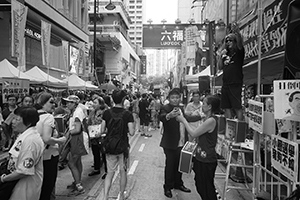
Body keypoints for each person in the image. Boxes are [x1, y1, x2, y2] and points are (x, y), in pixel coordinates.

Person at [177, 95, 221, 200]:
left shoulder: (211, 121)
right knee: (201, 185)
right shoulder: (206, 118)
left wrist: (183, 120)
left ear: (210, 106)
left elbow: (193, 133)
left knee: (206, 188)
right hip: (200, 157)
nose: (202, 105)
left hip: (207, 159)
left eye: (204, 103)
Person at [0, 107, 44, 200]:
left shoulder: (30, 141)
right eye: (14, 118)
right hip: (15, 183)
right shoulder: (23, 135)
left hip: (24, 187)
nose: (13, 122)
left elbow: (24, 171)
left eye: (17, 119)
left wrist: (3, 179)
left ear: (28, 123)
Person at [159, 88, 193, 198]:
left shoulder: (182, 108)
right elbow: (162, 117)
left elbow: (187, 118)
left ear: (180, 98)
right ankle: (167, 187)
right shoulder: (165, 108)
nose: (175, 99)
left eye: (177, 97)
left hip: (182, 142)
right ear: (169, 99)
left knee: (180, 164)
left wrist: (200, 116)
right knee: (170, 165)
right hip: (170, 143)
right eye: (173, 98)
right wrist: (169, 115)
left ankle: (178, 183)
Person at [101, 89, 134, 200]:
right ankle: (121, 195)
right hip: (122, 147)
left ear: (112, 99)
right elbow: (132, 132)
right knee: (123, 171)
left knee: (109, 173)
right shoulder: (128, 114)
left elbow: (102, 130)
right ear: (124, 99)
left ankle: (105, 196)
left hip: (110, 146)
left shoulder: (106, 113)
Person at [35, 92, 68, 200]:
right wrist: (60, 140)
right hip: (49, 156)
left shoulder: (33, 115)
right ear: (43, 103)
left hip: (36, 155)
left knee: (39, 186)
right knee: (48, 186)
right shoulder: (48, 117)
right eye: (51, 102)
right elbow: (47, 139)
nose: (54, 105)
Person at [218, 23, 245, 121]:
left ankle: (241, 128)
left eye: (231, 40)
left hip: (235, 83)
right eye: (227, 41)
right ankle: (229, 130)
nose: (228, 42)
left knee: (237, 106)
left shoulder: (238, 52)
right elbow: (220, 67)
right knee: (226, 107)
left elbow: (240, 43)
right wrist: (220, 57)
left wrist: (237, 32)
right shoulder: (226, 54)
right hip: (225, 84)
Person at [64, 95, 88, 195]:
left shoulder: (77, 113)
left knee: (72, 163)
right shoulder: (75, 111)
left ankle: (79, 186)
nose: (67, 104)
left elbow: (77, 129)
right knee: (77, 162)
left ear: (75, 104)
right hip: (78, 139)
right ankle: (77, 181)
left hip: (77, 139)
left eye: (70, 102)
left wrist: (69, 132)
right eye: (67, 102)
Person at [87, 99, 107, 177]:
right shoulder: (92, 112)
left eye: (95, 103)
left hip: (102, 136)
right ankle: (96, 169)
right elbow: (89, 121)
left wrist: (102, 132)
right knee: (95, 153)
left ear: (100, 104)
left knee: (104, 154)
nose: (93, 104)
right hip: (93, 135)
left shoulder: (105, 112)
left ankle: (106, 171)